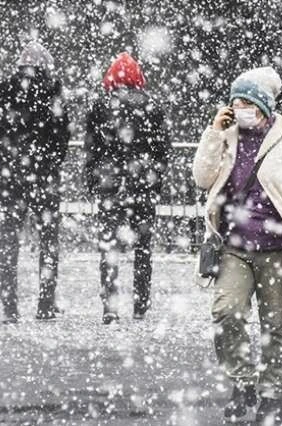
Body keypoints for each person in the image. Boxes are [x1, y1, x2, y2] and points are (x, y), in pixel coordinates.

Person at [191, 66, 282, 423]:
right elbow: (201, 177)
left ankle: (272, 396)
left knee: (277, 325)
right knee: (226, 312)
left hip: (279, 250)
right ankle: (243, 383)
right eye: (235, 102)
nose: (240, 108)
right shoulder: (226, 136)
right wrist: (213, 132)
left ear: (264, 105)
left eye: (247, 102)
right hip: (234, 247)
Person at [0, 41, 70, 322]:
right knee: (48, 240)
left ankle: (9, 307)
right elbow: (61, 137)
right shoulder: (53, 94)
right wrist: (48, 162)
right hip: (43, 177)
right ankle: (45, 302)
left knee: (9, 238)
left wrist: (6, 160)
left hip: (10, 177)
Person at [84, 52, 171, 324]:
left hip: (111, 186)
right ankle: (140, 304)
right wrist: (156, 180)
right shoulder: (152, 106)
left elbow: (92, 149)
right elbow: (162, 151)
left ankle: (110, 305)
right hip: (142, 185)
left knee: (109, 246)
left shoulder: (100, 106)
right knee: (143, 248)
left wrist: (93, 179)